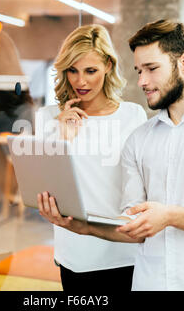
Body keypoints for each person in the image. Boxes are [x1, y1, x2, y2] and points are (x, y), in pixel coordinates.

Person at [38, 19, 184, 290]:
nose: (142, 81)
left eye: (151, 68)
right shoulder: (140, 139)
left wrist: (171, 216)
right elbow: (134, 225)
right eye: (139, 70)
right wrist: (84, 228)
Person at [35, 24, 147, 291]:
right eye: (72, 70)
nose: (80, 81)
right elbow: (45, 188)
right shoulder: (48, 117)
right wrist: (63, 137)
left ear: (108, 65)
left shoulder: (133, 115)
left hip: (121, 252)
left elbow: (141, 187)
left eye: (90, 71)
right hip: (73, 251)